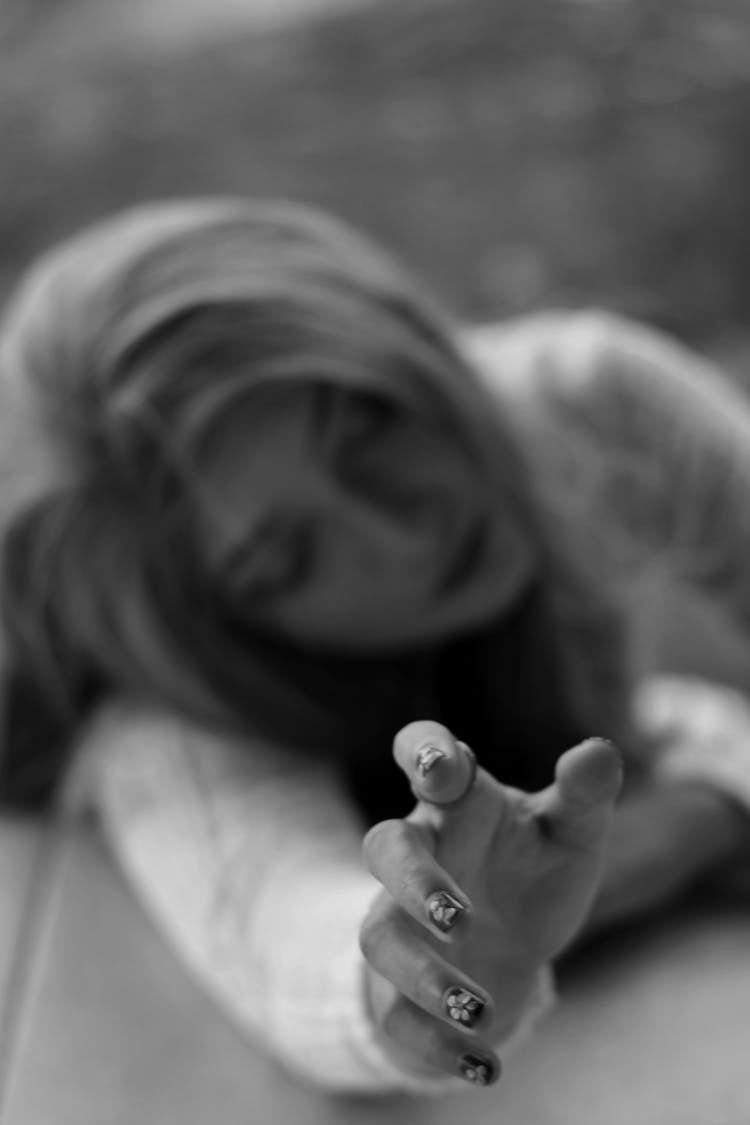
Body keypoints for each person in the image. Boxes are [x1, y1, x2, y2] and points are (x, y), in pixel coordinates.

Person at [0, 198, 749, 1094]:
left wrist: (696, 810)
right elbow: (289, 931)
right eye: (288, 557)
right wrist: (424, 964)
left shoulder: (588, 403)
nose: (401, 535)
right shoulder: (168, 718)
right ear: (220, 635)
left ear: (407, 345)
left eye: (368, 428)